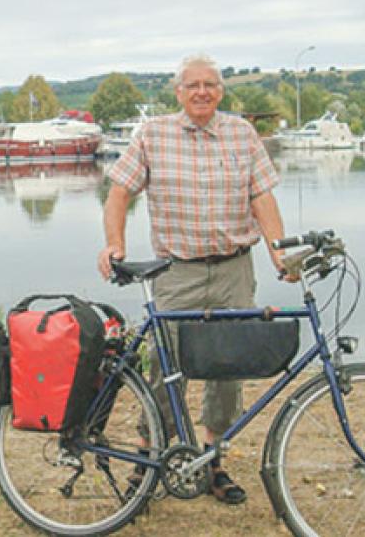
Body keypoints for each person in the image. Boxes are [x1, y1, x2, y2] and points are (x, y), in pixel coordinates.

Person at [97, 53, 289, 505]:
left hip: (233, 268)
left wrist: (279, 252)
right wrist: (113, 244)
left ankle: (212, 460)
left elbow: (262, 198)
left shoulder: (242, 133)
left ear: (221, 91)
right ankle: (149, 462)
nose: (202, 92)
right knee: (167, 369)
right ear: (178, 93)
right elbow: (119, 191)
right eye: (192, 85)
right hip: (176, 270)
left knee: (229, 369)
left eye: (210, 84)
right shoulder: (155, 134)